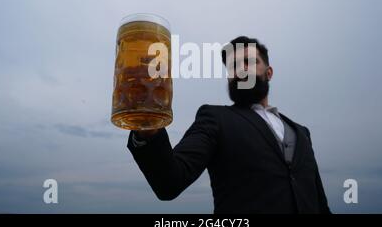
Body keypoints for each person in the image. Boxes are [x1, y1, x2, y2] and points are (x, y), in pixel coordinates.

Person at [127, 36, 331, 214]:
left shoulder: (302, 133)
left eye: (249, 62)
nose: (240, 70)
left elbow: (320, 204)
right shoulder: (215, 118)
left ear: (269, 73)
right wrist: (148, 125)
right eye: (233, 65)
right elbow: (169, 183)